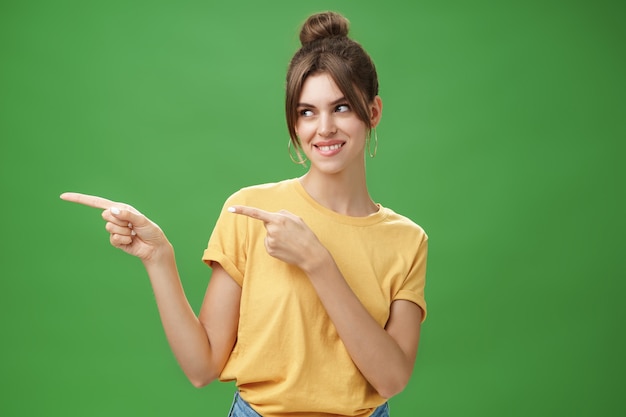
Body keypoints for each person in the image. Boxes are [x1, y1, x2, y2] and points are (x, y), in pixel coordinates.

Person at [61, 11, 428, 417]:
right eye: (306, 112)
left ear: (372, 112)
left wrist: (317, 262)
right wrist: (158, 258)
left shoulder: (407, 240)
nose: (323, 128)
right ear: (293, 121)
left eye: (341, 108)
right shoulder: (253, 212)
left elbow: (391, 379)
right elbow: (203, 368)